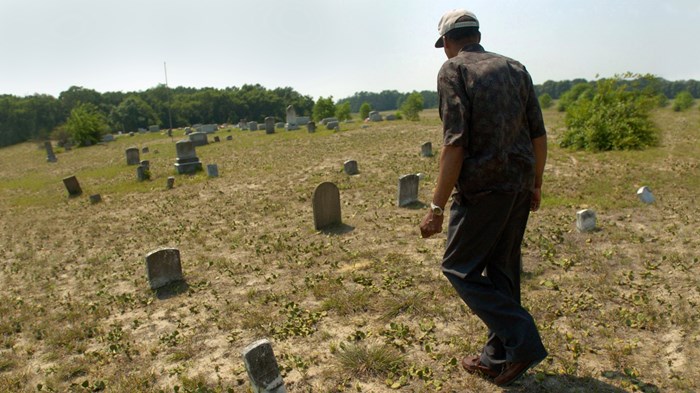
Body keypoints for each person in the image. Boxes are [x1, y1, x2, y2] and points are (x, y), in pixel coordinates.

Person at [419, 9, 549, 387]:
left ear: (447, 42)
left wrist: (436, 207)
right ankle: (496, 358)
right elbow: (538, 134)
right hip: (519, 184)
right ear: (476, 34)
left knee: (459, 267)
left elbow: (454, 143)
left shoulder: (454, 70)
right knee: (502, 269)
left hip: (482, 188)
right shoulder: (515, 67)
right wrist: (536, 182)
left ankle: (522, 341)